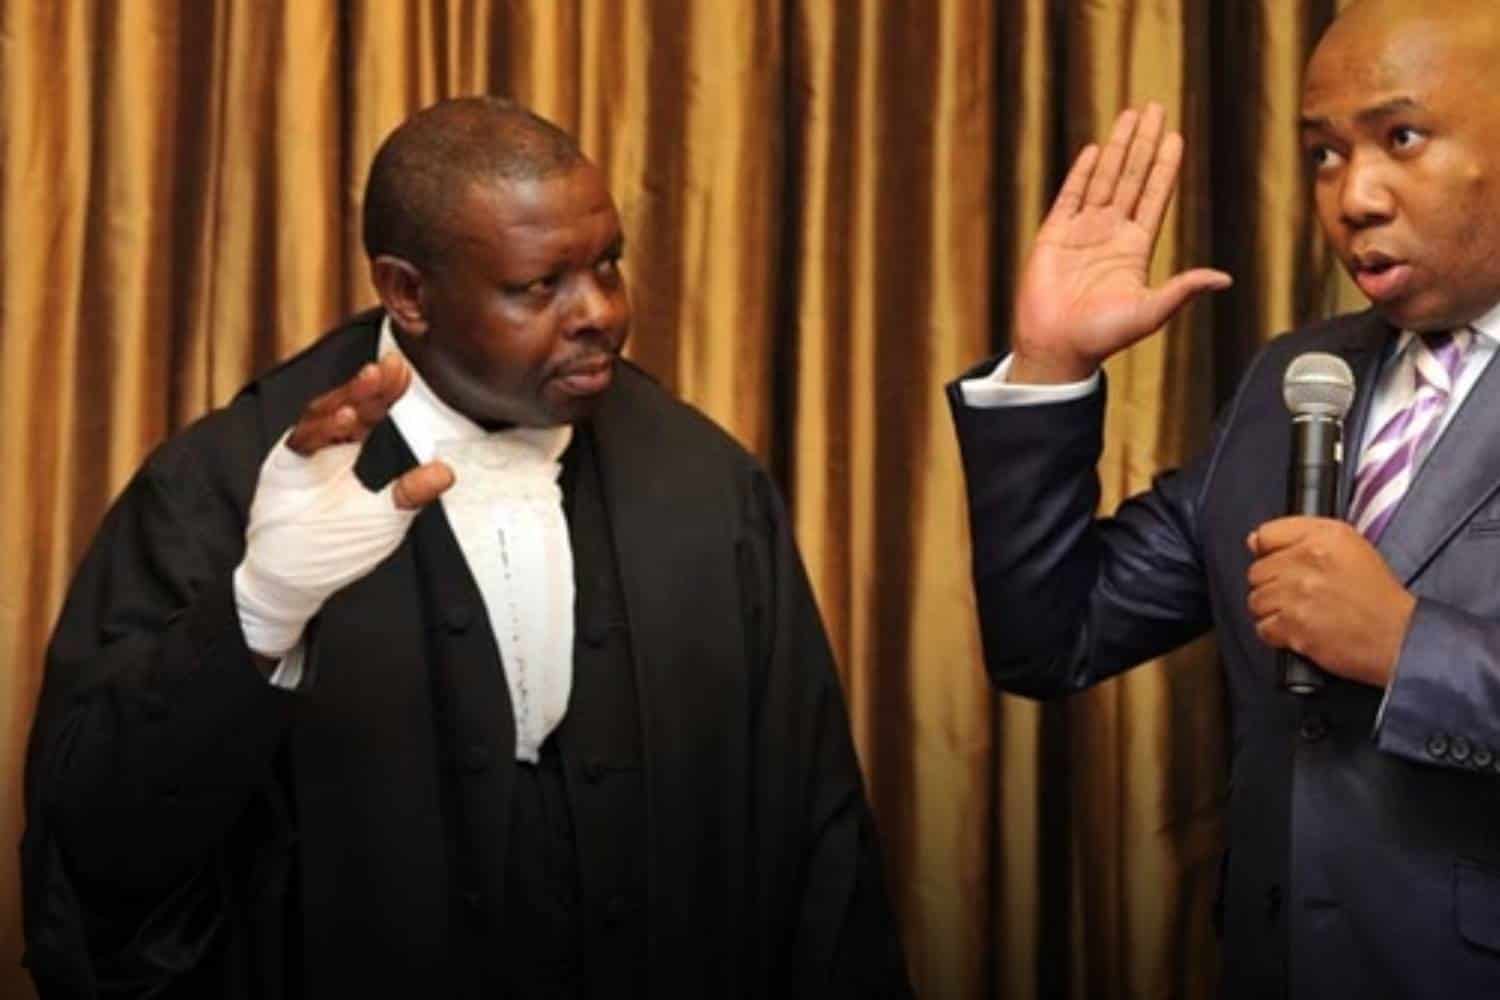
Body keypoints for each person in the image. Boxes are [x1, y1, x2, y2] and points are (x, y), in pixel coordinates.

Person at [23, 97, 910, 999]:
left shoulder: (708, 485)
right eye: (540, 287)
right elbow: (96, 842)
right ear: (408, 293)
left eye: (608, 264)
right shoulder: (220, 486)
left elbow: (819, 837)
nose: (601, 312)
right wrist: (260, 610)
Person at [947, 1, 1500, 995]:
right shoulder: (1296, 377)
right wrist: (1049, 363)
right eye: (1325, 153)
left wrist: (1407, 648)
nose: (1353, 197)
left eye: (1401, 138)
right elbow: (1053, 636)